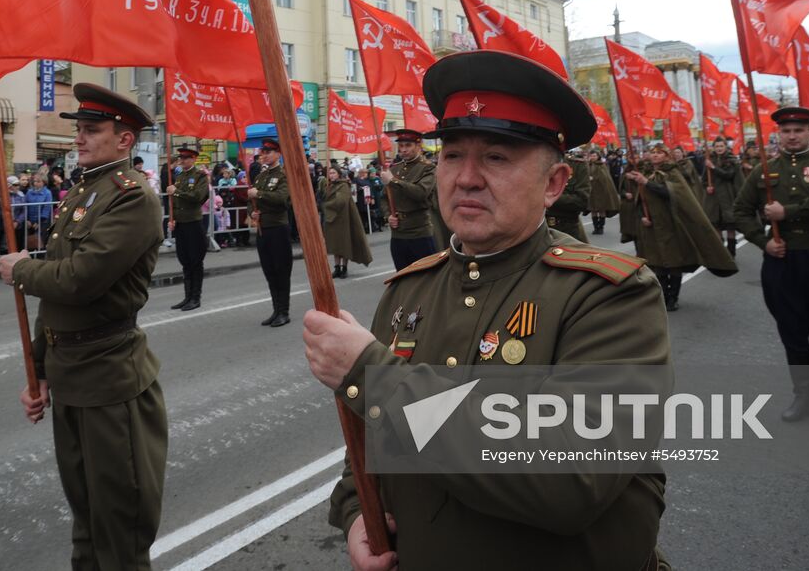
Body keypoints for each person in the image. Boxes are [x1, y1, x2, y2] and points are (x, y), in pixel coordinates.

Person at [304, 49, 671, 570]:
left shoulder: (608, 295)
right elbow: (369, 436)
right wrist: (356, 510)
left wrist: (368, 373)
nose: (467, 177)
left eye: (496, 157)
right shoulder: (409, 290)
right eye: (452, 155)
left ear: (554, 184)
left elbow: (568, 481)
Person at [0, 84, 168, 570]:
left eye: (92, 131)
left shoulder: (133, 199)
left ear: (125, 140)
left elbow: (79, 280)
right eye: (80, 130)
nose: (80, 139)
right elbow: (56, 302)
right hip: (71, 375)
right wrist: (41, 368)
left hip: (109, 378)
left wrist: (21, 270)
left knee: (119, 531)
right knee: (86, 522)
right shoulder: (84, 192)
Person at [733, 106, 809, 431]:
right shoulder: (763, 172)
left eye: (799, 129)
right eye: (786, 130)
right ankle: (802, 397)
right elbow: (740, 211)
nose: (792, 135)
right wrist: (763, 241)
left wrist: (789, 212)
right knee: (792, 332)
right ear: (778, 134)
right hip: (781, 260)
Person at [622, 143, 737, 311]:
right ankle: (663, 295)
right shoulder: (645, 173)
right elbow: (640, 200)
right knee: (657, 262)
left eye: (659, 153)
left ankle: (673, 298)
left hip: (671, 224)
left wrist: (647, 183)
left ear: (666, 156)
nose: (655, 155)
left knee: (673, 261)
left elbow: (673, 194)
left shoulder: (672, 172)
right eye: (652, 153)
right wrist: (642, 217)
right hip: (651, 225)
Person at [249, 137, 294, 327]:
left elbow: (282, 199)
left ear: (278, 154)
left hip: (278, 228)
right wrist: (253, 212)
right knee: (269, 271)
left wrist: (258, 194)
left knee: (281, 271)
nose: (265, 155)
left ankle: (284, 311)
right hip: (262, 229)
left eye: (269, 152)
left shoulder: (284, 175)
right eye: (263, 152)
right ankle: (276, 310)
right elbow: (252, 203)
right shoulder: (260, 176)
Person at [380, 130, 438, 271]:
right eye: (401, 146)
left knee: (426, 278)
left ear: (418, 146)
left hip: (419, 233)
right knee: (402, 279)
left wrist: (392, 181)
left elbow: (420, 193)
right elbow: (384, 198)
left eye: (408, 145)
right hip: (398, 233)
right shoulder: (395, 169)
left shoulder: (428, 168)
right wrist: (388, 216)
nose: (404, 150)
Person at [167, 146, 210, 311]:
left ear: (193, 159)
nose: (183, 160)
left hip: (193, 223)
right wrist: (173, 219)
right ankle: (187, 296)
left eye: (186, 157)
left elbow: (198, 197)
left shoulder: (200, 176)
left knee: (195, 260)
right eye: (181, 158)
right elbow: (176, 204)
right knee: (184, 260)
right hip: (181, 224)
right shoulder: (179, 176)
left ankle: (195, 297)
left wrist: (176, 192)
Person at [320, 165, 372, 278]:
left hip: (343, 220)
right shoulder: (330, 185)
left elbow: (340, 202)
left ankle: (344, 268)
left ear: (339, 174)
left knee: (344, 245)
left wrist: (326, 205)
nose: (331, 175)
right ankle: (337, 267)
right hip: (332, 220)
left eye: (333, 173)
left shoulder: (343, 186)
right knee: (335, 245)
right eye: (330, 173)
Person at [702, 137, 742, 256]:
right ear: (714, 148)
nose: (719, 149)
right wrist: (707, 186)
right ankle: (721, 253)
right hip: (714, 198)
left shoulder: (731, 160)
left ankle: (731, 251)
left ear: (725, 147)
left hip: (728, 196)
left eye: (721, 146)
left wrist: (713, 167)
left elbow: (728, 175)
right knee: (715, 224)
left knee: (730, 225)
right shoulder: (709, 160)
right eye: (717, 146)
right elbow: (704, 179)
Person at [546, 149, 591, 241]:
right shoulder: (533, 164)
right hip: (535, 230)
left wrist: (546, 198)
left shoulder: (576, 165)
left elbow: (581, 201)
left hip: (566, 228)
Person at [585, 148, 620, 235]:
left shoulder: (602, 165)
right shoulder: (587, 165)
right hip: (591, 192)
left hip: (601, 191)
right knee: (593, 210)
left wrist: (594, 178)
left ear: (598, 156)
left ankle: (601, 227)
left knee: (601, 210)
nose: (593, 157)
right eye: (591, 156)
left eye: (594, 156)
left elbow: (605, 178)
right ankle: (595, 227)